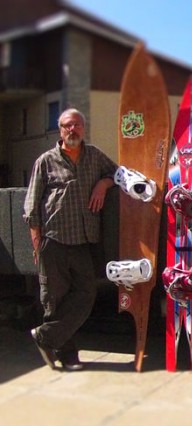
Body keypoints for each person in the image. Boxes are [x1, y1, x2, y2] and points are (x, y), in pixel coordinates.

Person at [23, 108, 117, 371]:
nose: (72, 130)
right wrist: (37, 244)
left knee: (87, 293)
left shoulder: (95, 156)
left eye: (76, 125)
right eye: (66, 126)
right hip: (52, 241)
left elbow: (118, 174)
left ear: (83, 128)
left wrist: (104, 184)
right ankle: (67, 355)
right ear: (60, 130)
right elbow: (31, 206)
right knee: (54, 300)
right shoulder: (45, 161)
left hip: (82, 240)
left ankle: (46, 336)